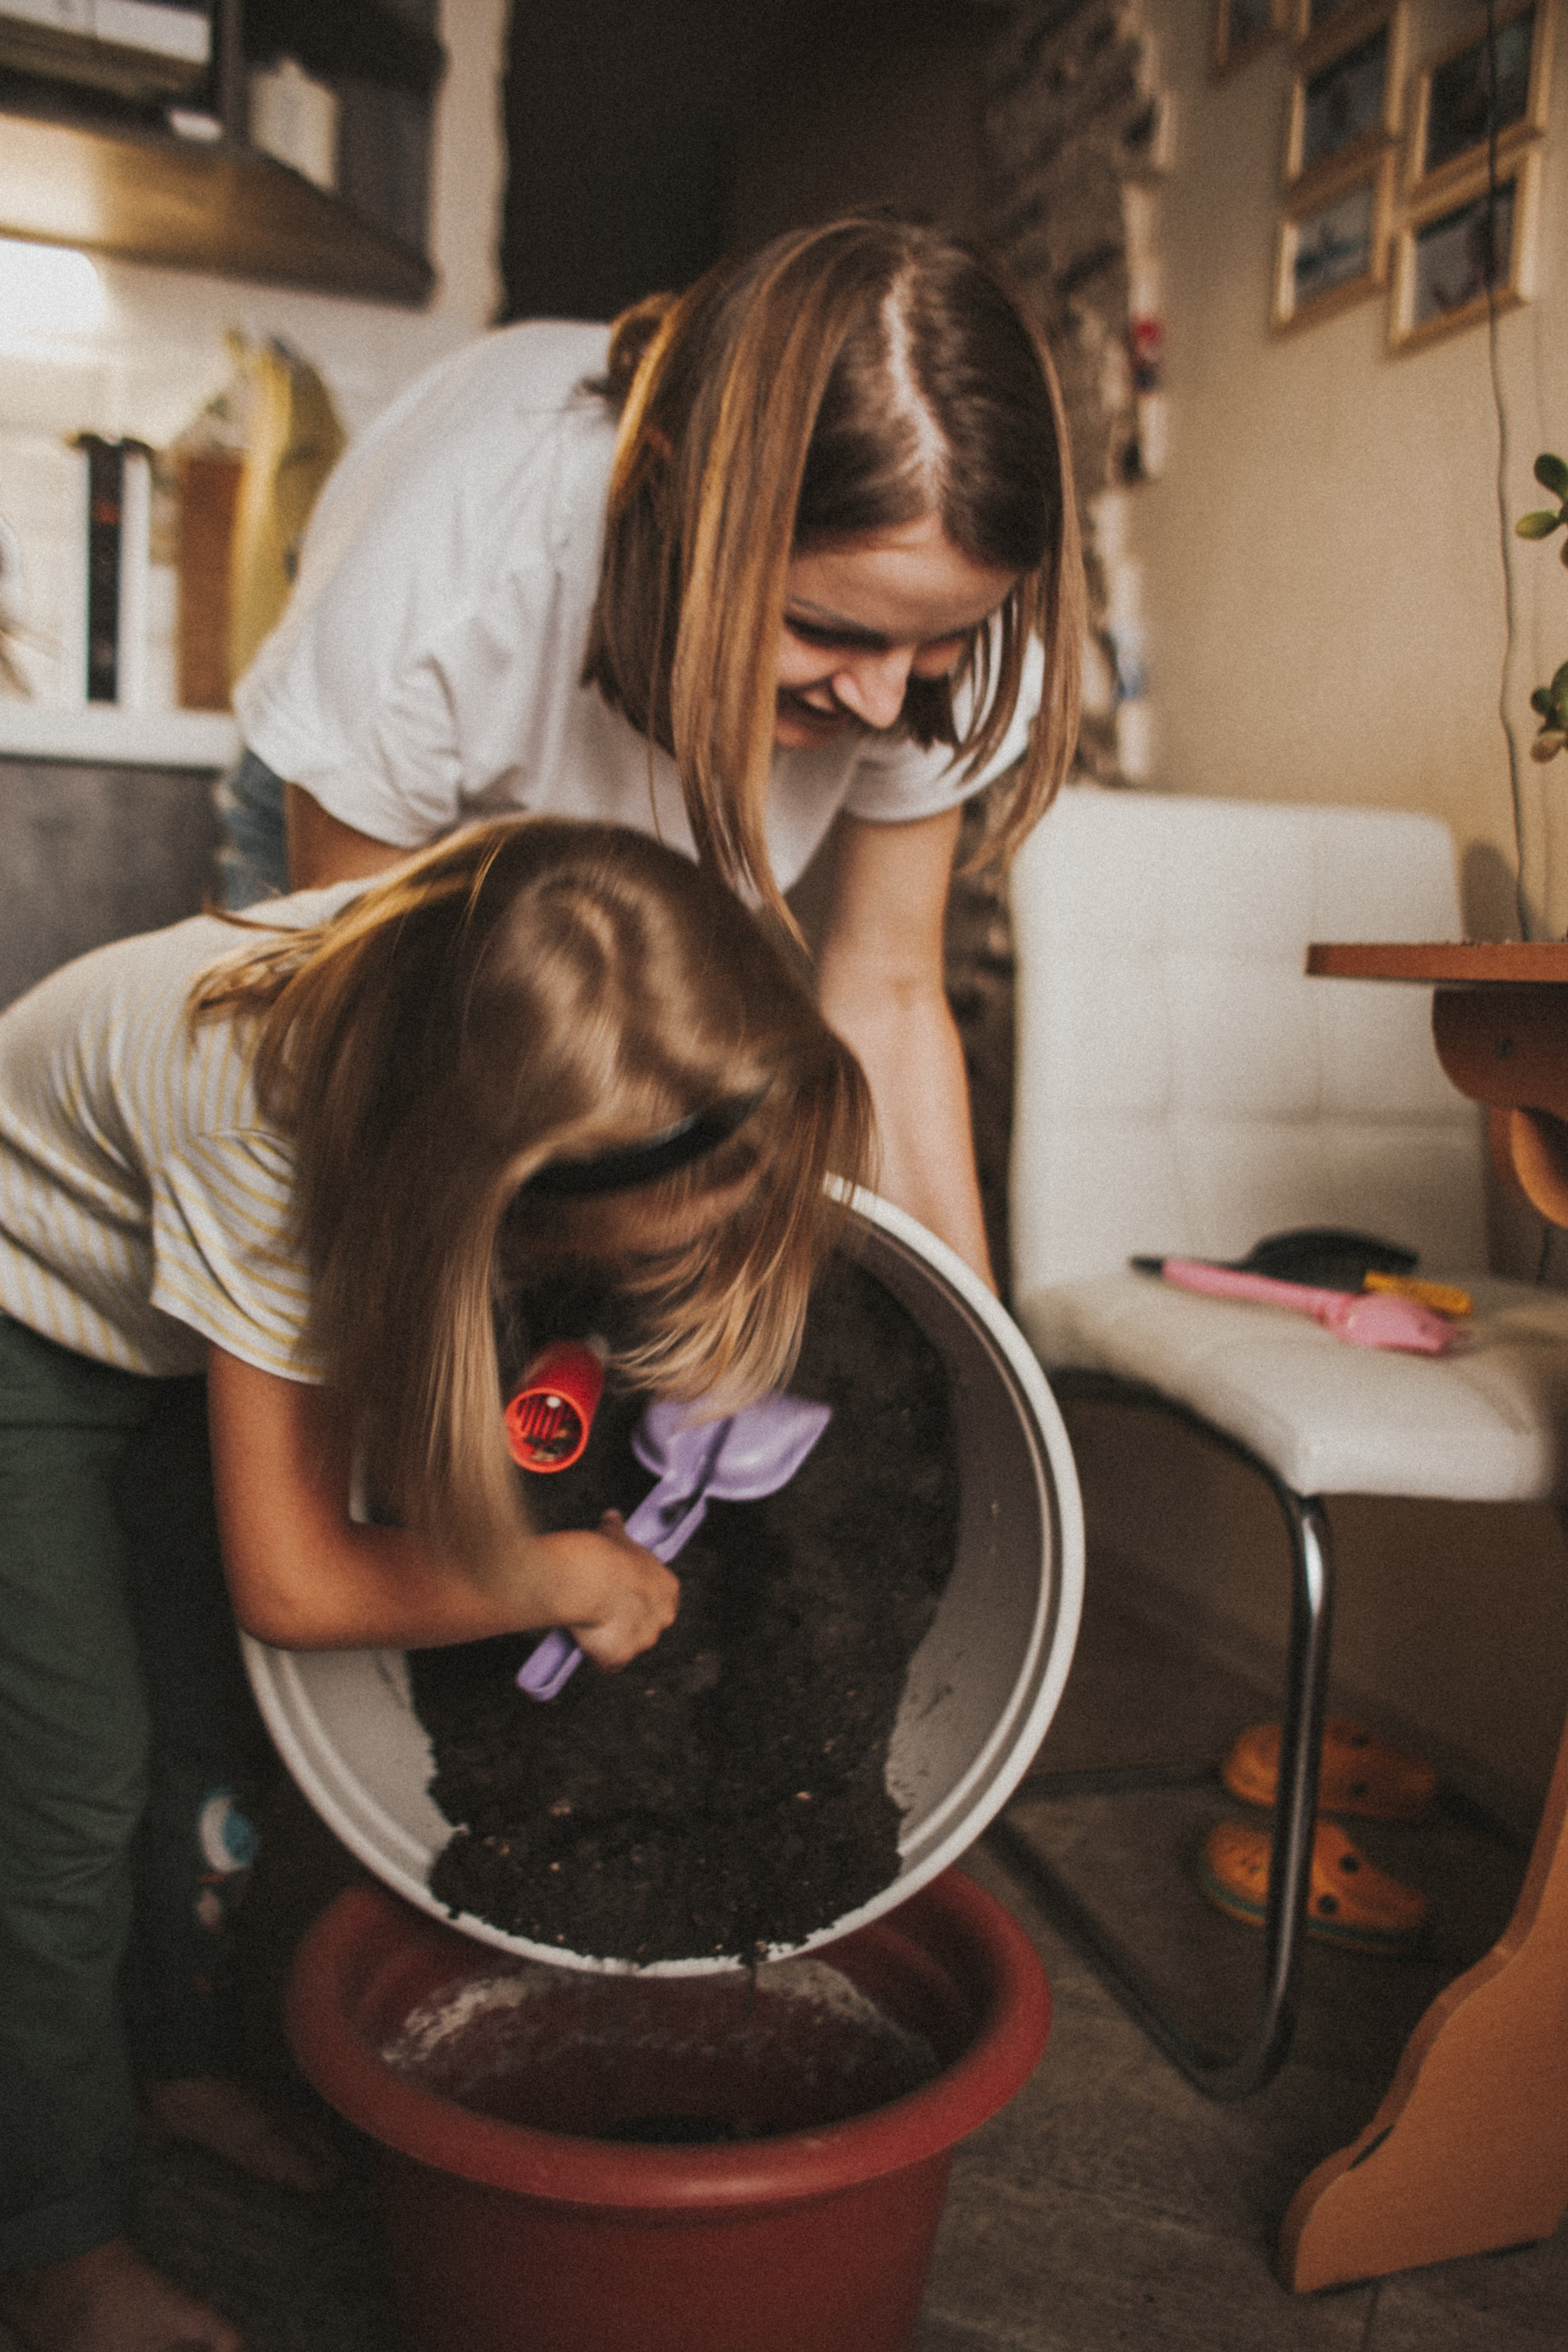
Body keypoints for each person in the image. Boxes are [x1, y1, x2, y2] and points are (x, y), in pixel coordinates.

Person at [0, 816, 870, 2352]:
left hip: (170, 1315)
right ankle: (54, 2240)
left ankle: (177, 2062)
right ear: (491, 1193)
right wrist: (563, 1570)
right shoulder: (262, 1140)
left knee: (205, 1730)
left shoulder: (508, 994)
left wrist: (608, 1380)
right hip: (25, 1328)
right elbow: (296, 1587)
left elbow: (487, 1327)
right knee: (71, 1791)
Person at [219, 215, 1085, 1287]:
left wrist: (977, 1358)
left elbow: (890, 999)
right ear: (678, 502)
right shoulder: (446, 587)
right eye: (823, 629)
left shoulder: (928, 620)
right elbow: (375, 1049)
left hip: (651, 896)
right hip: (382, 881)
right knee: (337, 1240)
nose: (882, 700)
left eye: (940, 644)